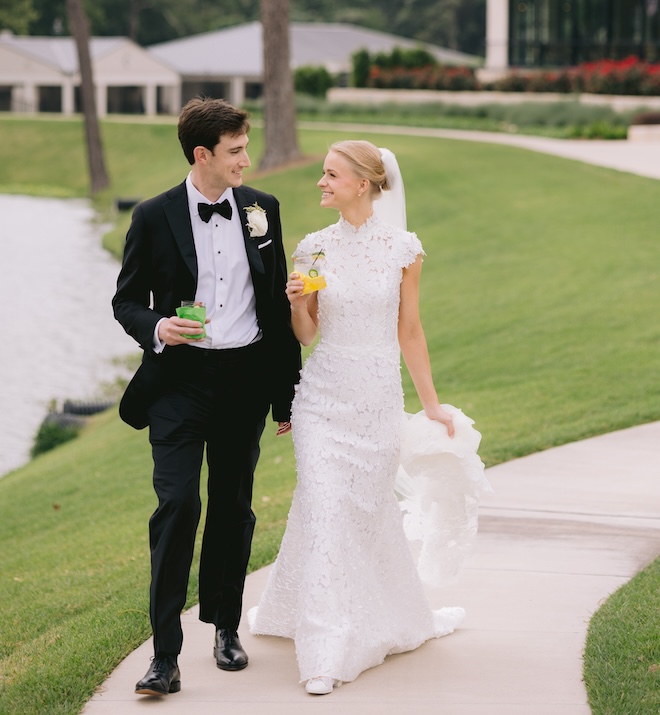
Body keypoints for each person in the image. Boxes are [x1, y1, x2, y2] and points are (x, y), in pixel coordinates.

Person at [248, 140, 488, 695]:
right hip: (322, 401)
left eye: (330, 175)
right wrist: (297, 303)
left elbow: (410, 330)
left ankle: (383, 613)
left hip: (376, 401)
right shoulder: (312, 247)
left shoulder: (404, 249)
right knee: (325, 504)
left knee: (364, 513)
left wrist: (430, 405)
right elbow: (307, 335)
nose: (320, 183)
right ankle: (325, 649)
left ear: (363, 183)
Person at [112, 97, 301, 697]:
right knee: (176, 508)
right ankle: (163, 655)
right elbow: (125, 302)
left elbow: (272, 307)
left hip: (245, 381)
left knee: (232, 509)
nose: (247, 159)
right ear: (203, 155)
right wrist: (159, 328)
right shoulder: (152, 216)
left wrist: (285, 397)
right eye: (237, 151)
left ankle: (225, 628)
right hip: (178, 386)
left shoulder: (262, 210)